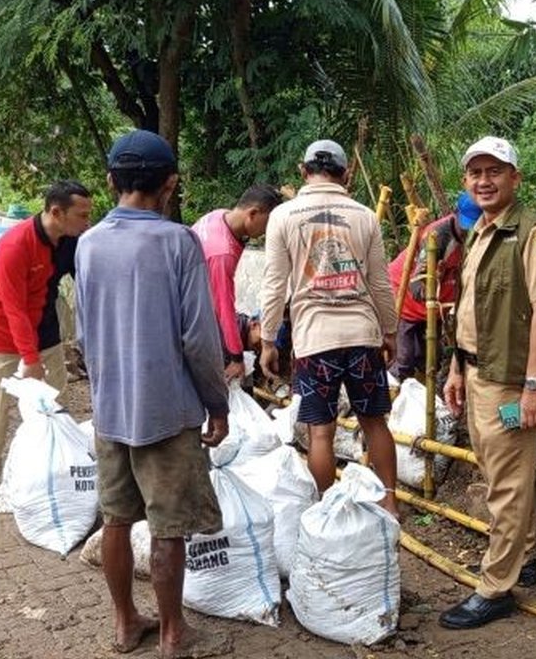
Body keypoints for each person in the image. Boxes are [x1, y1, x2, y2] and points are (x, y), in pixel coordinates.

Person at [75, 129, 232, 659]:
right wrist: (218, 403)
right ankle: (172, 632)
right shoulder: (178, 242)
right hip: (167, 410)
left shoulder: (89, 242)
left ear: (110, 182)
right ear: (169, 184)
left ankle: (124, 624)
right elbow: (198, 339)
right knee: (169, 526)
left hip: (111, 409)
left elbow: (82, 334)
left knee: (115, 517)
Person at [440, 136, 536, 630]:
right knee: (502, 477)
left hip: (510, 383)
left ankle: (496, 586)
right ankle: (523, 557)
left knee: (507, 485)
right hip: (477, 370)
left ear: (516, 178)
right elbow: (470, 308)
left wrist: (533, 386)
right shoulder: (479, 232)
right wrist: (455, 366)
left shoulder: (533, 234)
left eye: (495, 172)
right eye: (476, 173)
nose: (484, 181)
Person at [259, 139, 400, 517]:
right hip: (361, 336)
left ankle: (329, 509)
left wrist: (269, 340)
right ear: (346, 175)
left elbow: (275, 283)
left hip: (314, 340)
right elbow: (380, 283)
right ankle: (389, 500)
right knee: (374, 423)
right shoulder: (365, 216)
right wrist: (389, 331)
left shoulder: (284, 216)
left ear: (303, 171)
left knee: (321, 433)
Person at [0, 180, 92, 510]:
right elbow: (13, 307)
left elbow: (89, 286)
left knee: (53, 407)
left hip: (45, 334)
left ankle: (52, 472)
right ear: (56, 212)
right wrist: (29, 360)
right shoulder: (15, 244)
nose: (87, 223)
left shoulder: (70, 243)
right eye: (82, 215)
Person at [190, 184, 283, 378]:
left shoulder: (218, 216)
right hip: (191, 319)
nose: (267, 232)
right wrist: (236, 358)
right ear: (253, 213)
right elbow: (223, 307)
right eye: (267, 225)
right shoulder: (222, 253)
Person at [386, 191, 482, 380]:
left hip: (435, 306)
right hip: (406, 300)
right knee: (404, 359)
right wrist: (433, 284)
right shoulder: (436, 236)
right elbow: (417, 284)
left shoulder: (479, 236)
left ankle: (424, 400)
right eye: (465, 225)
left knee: (430, 360)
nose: (468, 231)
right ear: (454, 214)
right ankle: (391, 399)